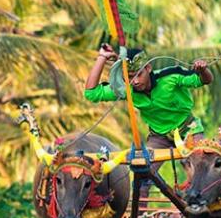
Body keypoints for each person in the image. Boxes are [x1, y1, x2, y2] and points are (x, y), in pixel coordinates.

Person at [84, 43, 213, 195]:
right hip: (159, 137)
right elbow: (91, 93)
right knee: (141, 179)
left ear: (148, 68)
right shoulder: (126, 89)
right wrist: (102, 57)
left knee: (203, 170)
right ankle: (139, 217)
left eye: (139, 75)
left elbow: (204, 80)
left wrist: (203, 70)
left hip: (189, 131)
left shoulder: (171, 76)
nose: (135, 81)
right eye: (131, 77)